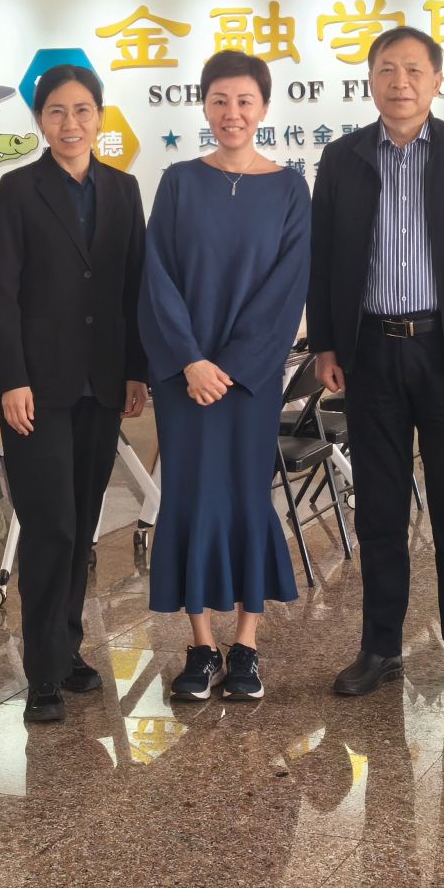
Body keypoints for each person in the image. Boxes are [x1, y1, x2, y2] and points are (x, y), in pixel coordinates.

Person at [309, 26, 444, 705]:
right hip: (370, 352)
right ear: (369, 79)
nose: (400, 83)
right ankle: (380, 648)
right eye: (387, 70)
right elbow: (324, 259)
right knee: (379, 509)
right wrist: (326, 344)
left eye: (414, 70)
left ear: (436, 81)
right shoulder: (342, 158)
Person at [141, 50, 311, 702]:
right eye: (219, 100)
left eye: (244, 101)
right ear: (205, 106)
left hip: (249, 382)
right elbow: (157, 277)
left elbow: (287, 288)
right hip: (184, 379)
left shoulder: (290, 189)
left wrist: (233, 367)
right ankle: (201, 645)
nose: (231, 112)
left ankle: (246, 645)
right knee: (188, 498)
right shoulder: (179, 182)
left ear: (263, 107)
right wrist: (190, 360)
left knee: (245, 497)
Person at [0, 65, 150, 725]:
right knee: (48, 524)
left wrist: (135, 370)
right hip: (39, 389)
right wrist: (11, 377)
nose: (71, 123)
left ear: (99, 118)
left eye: (83, 110)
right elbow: (1, 292)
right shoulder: (17, 190)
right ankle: (42, 673)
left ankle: (68, 648)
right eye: (57, 111)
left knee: (82, 523)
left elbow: (133, 286)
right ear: (39, 120)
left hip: (102, 384)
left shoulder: (123, 189)